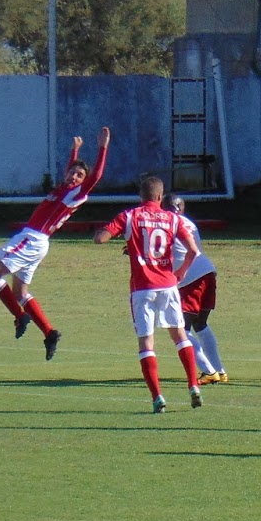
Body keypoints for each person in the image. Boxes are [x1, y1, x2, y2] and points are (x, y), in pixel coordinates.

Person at [0, 126, 110, 361]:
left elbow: (96, 176)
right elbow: (70, 172)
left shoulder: (76, 194)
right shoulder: (63, 188)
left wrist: (102, 147)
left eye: (79, 175)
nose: (74, 176)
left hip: (32, 238)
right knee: (20, 292)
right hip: (36, 242)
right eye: (72, 172)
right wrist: (75, 152)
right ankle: (49, 333)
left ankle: (20, 317)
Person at [92, 174, 203, 414]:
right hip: (168, 285)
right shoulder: (173, 219)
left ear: (140, 196)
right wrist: (180, 272)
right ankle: (193, 385)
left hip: (143, 288)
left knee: (146, 342)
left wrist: (103, 233)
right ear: (160, 197)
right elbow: (194, 251)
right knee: (180, 336)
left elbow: (101, 238)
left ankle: (157, 397)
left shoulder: (130, 216)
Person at [169, 196, 228, 385]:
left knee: (181, 328)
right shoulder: (188, 222)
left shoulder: (167, 223)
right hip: (208, 272)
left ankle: (209, 371)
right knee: (200, 324)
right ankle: (219, 370)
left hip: (192, 279)